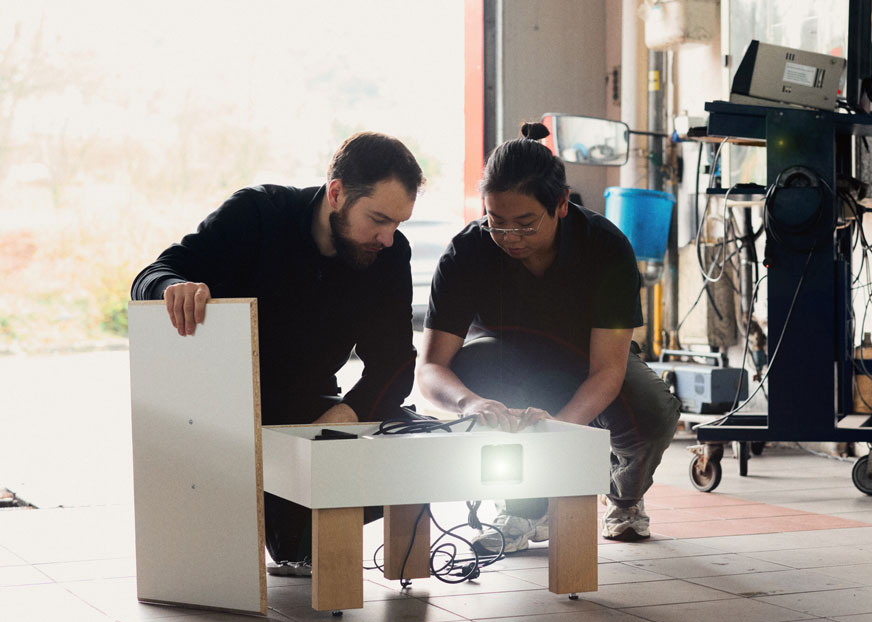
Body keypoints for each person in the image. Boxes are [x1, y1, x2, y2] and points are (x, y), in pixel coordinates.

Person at [130, 131, 425, 575]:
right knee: (255, 539)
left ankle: (300, 531)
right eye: (378, 219)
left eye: (398, 224)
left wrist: (345, 419)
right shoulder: (258, 215)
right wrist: (173, 289)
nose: (386, 238)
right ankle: (281, 522)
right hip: (229, 411)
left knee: (415, 443)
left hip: (313, 409)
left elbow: (396, 362)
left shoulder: (389, 254)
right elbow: (151, 275)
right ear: (337, 192)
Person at [418, 122, 679, 551]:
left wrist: (559, 429)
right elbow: (431, 367)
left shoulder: (605, 249)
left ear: (560, 205)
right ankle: (525, 510)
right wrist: (472, 403)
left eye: (524, 223)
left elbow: (608, 371)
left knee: (652, 412)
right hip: (511, 365)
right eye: (496, 222)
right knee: (470, 368)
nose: (508, 238)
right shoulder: (467, 253)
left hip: (589, 365)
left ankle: (624, 497)